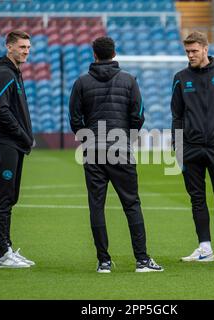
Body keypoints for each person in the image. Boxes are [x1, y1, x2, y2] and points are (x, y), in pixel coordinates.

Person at [69, 36, 163, 273]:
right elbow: (138, 115)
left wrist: (87, 137)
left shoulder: (81, 82)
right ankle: (142, 260)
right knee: (131, 203)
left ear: (94, 55)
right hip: (120, 149)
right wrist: (126, 138)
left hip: (93, 151)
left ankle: (104, 261)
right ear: (114, 53)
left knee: (96, 205)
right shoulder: (129, 80)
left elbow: (74, 118)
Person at [171, 31, 214, 263]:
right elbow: (177, 116)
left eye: (194, 51)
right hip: (190, 148)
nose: (190, 55)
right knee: (197, 198)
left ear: (205, 49)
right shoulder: (180, 77)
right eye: (187, 51)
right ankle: (204, 247)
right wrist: (176, 146)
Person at [0, 30, 35, 268]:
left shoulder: (14, 73)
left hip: (13, 145)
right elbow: (1, 111)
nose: (26, 51)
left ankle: (6, 249)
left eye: (28, 47)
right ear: (9, 47)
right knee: (3, 198)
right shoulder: (4, 74)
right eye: (22, 47)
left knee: (10, 197)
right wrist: (24, 135)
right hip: (4, 144)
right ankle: (2, 254)